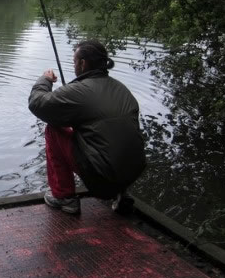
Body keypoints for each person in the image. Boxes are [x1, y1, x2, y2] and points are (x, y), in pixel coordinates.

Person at [28, 39, 146, 214]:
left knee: (53, 130)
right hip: (133, 173)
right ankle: (121, 194)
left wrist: (45, 80)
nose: (74, 65)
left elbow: (37, 103)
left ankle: (65, 198)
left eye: (75, 62)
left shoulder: (79, 91)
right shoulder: (122, 89)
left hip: (102, 179)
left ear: (83, 64)